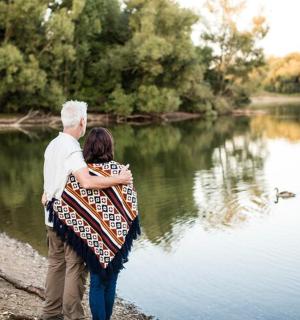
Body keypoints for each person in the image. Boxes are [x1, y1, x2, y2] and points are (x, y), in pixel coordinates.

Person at [42, 101, 133, 320]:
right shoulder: (72, 149)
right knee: (75, 268)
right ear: (82, 122)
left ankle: (50, 314)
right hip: (69, 222)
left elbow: (54, 179)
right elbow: (86, 183)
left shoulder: (53, 145)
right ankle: (73, 316)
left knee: (56, 265)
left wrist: (46, 193)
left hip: (50, 219)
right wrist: (119, 178)